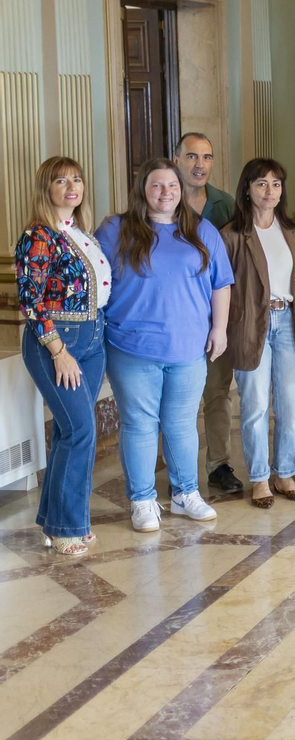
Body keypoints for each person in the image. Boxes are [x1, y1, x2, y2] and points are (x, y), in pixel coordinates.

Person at [97, 157, 233, 532]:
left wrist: (219, 329)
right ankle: (142, 499)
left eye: (172, 186)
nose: (166, 192)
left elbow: (222, 283)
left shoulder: (202, 231)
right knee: (140, 425)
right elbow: (94, 280)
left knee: (182, 424)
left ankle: (185, 493)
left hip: (189, 348)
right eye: (157, 185)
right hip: (131, 346)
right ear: (143, 189)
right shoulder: (115, 229)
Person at [14, 157, 112, 555]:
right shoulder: (39, 235)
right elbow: (30, 299)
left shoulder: (82, 233)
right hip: (56, 340)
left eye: (77, 179)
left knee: (73, 434)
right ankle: (69, 525)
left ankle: (53, 520)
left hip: (92, 337)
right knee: (80, 431)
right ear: (46, 189)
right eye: (60, 180)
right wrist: (58, 351)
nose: (72, 186)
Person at [219, 159, 295, 509]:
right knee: (255, 404)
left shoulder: (294, 232)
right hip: (249, 325)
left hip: (288, 321)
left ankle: (284, 472)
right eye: (261, 184)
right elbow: (222, 287)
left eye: (276, 184)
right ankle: (259, 477)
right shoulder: (231, 235)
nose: (269, 191)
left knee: (292, 402)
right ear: (247, 188)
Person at [177, 131, 244, 497]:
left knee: (218, 392)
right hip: (177, 317)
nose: (199, 164)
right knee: (177, 398)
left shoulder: (226, 204)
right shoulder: (161, 200)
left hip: (217, 317)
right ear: (177, 161)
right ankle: (180, 468)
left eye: (206, 157)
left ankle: (219, 464)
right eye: (191, 156)